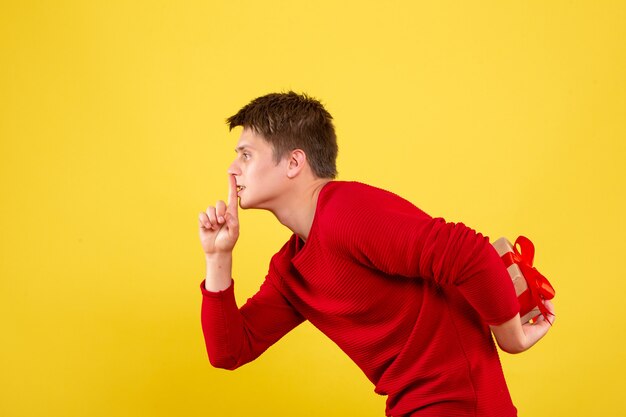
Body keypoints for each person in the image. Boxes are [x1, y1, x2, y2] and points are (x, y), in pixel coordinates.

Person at [197, 92, 554, 417]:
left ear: (293, 163)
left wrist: (512, 338)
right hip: (413, 406)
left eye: (246, 155)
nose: (233, 169)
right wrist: (218, 257)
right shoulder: (291, 268)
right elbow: (231, 350)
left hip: (459, 403)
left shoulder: (345, 212)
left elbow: (469, 253)